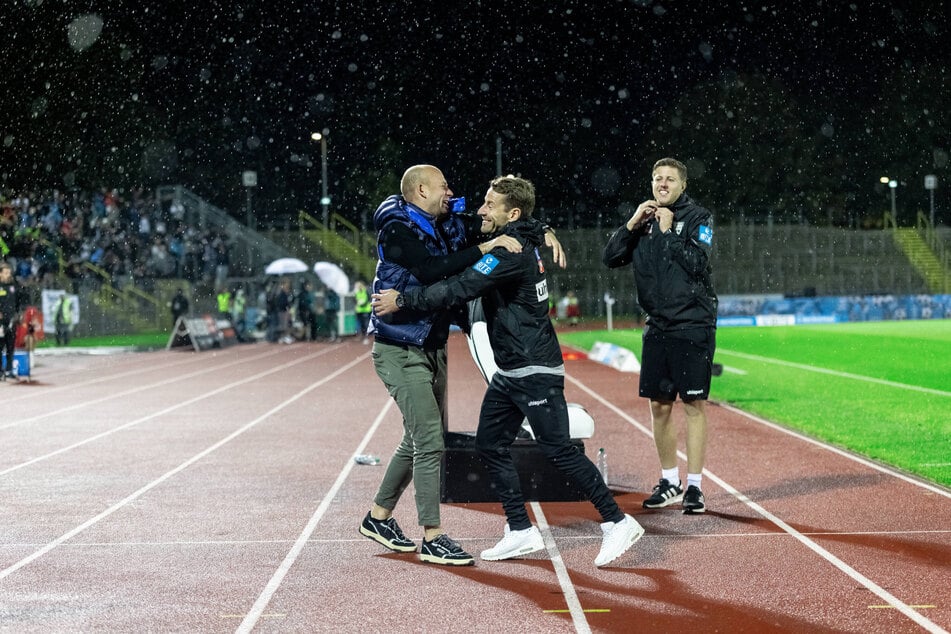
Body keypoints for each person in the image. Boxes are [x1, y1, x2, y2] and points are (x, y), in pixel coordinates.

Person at [373, 175, 643, 567]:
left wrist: (404, 298)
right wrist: (544, 227)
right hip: (513, 370)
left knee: (557, 450)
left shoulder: (505, 254)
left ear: (510, 213)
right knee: (490, 444)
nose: (480, 210)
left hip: (533, 368)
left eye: (489, 204)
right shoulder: (519, 238)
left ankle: (617, 522)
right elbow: (493, 241)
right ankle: (520, 529)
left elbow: (460, 287)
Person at [359, 164, 563, 567]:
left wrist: (543, 230)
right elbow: (431, 272)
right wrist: (484, 250)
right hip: (399, 346)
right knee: (431, 439)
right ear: (420, 190)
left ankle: (378, 517)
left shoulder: (443, 219)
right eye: (442, 186)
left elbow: (503, 212)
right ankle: (432, 535)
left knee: (413, 438)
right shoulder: (397, 227)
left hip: (430, 345)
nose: (451, 193)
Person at [602, 157, 718, 514]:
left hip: (693, 324)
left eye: (669, 179)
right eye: (657, 179)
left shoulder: (699, 218)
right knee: (659, 405)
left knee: (694, 405)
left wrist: (669, 233)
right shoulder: (644, 221)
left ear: (683, 185)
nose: (662, 184)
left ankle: (695, 486)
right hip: (657, 326)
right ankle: (670, 480)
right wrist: (630, 224)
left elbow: (699, 264)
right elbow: (610, 257)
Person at [0, 262, 21, 379]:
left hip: (11, 320)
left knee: (10, 347)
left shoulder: (13, 286)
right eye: (5, 272)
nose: (8, 275)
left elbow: (19, 301)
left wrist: (18, 313)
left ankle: (9, 370)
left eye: (9, 272)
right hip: (0, 323)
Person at [352, 280, 372, 344]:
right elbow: (354, 300)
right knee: (359, 324)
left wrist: (363, 303)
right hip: (359, 310)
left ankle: (366, 337)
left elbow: (369, 299)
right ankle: (360, 335)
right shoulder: (356, 292)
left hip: (366, 310)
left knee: (365, 324)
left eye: (358, 285)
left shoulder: (366, 291)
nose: (357, 287)